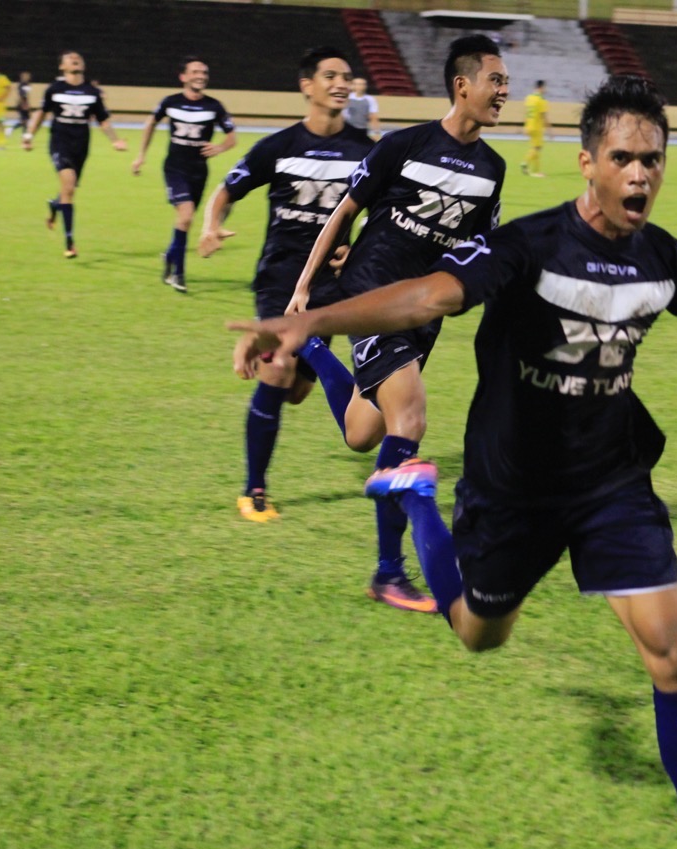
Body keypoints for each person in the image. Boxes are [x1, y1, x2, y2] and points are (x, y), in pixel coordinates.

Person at [228, 75, 677, 849]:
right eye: (624, 157)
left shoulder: (665, 260)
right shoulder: (527, 245)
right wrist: (311, 321)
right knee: (476, 631)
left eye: (654, 160)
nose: (641, 174)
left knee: (672, 651)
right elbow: (427, 298)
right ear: (588, 163)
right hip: (514, 484)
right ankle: (415, 501)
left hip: (611, 480)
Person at [286, 34, 508, 613]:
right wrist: (305, 287)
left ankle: (311, 352)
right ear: (463, 86)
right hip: (373, 291)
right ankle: (388, 572)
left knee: (364, 432)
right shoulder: (404, 146)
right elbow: (343, 212)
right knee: (410, 415)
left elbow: (481, 249)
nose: (504, 91)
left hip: (424, 311)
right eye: (496, 81)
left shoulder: (493, 168)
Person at [196, 46, 373, 523]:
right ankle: (253, 489)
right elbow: (227, 190)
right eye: (330, 75)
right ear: (307, 86)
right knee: (277, 372)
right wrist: (211, 226)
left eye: (346, 76)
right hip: (280, 281)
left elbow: (389, 215)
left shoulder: (368, 150)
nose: (340, 83)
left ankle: (285, 346)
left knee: (293, 391)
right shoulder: (278, 146)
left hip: (333, 287)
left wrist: (359, 249)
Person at [132, 56, 237, 294]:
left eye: (204, 72)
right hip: (175, 169)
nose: (201, 76)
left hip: (199, 171)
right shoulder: (170, 102)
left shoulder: (214, 106)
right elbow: (150, 124)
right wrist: (140, 156)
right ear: (183, 77)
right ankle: (177, 273)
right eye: (195, 72)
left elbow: (233, 137)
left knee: (185, 222)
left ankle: (170, 256)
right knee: (186, 216)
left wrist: (220, 147)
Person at [22, 51, 127, 259]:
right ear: (62, 66)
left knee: (67, 191)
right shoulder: (55, 89)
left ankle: (54, 205)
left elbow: (102, 119)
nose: (75, 59)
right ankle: (70, 242)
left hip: (81, 145)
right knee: (69, 187)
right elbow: (42, 113)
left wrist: (115, 140)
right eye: (70, 58)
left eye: (78, 58)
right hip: (60, 142)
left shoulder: (92, 92)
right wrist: (28, 135)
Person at [521, 80, 548, 177]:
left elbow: (526, 113)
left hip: (529, 126)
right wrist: (550, 130)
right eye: (545, 87)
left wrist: (525, 125)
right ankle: (526, 163)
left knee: (535, 148)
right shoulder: (541, 100)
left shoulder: (529, 98)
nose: (546, 89)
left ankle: (536, 170)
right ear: (541, 87)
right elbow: (543, 116)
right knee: (537, 148)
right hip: (537, 127)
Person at [345, 76, 381, 141]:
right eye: (358, 84)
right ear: (353, 85)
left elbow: (373, 116)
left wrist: (376, 131)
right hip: (347, 129)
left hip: (362, 128)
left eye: (363, 84)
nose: (360, 86)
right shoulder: (347, 98)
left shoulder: (370, 99)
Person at [11, 70, 32, 136]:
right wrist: (24, 104)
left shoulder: (26, 84)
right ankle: (13, 129)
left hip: (24, 103)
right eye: (26, 76)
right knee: (24, 120)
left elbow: (26, 95)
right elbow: (22, 95)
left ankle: (24, 134)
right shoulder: (22, 84)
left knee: (25, 120)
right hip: (22, 104)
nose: (28, 77)